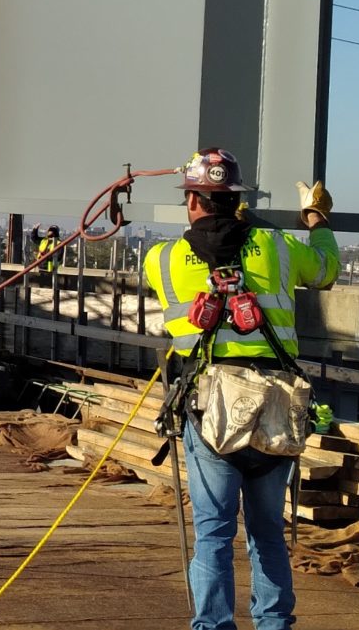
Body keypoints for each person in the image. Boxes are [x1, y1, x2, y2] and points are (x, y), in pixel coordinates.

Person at [142, 148, 338, 630]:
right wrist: (317, 219)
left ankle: (213, 625)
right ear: (236, 200)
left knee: (212, 532)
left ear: (192, 200)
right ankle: (274, 624)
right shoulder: (276, 245)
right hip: (276, 409)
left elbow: (202, 259)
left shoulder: (162, 259)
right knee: (269, 531)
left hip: (211, 413)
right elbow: (326, 270)